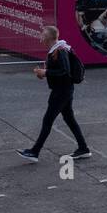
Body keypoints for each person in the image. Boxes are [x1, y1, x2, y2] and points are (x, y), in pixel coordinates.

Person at [18, 25, 91, 162]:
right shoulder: (56, 50)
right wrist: (43, 74)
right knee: (69, 119)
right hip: (64, 90)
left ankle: (34, 151)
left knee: (48, 120)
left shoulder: (60, 50)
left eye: (42, 34)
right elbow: (59, 72)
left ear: (49, 37)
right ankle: (83, 149)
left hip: (61, 92)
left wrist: (45, 72)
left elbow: (65, 72)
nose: (41, 37)